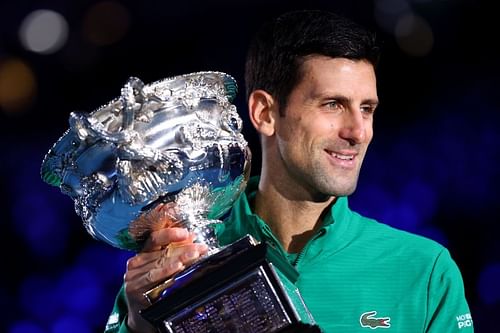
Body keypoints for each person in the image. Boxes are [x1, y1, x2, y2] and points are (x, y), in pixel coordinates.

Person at [104, 9, 474, 332]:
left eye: (367, 109)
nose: (358, 132)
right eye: (332, 105)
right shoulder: (174, 263)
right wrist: (140, 325)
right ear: (265, 113)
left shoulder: (424, 271)